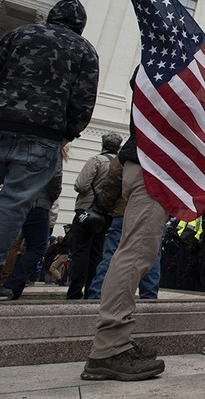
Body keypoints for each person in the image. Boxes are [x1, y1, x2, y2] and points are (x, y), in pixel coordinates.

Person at [0, 0, 99, 302]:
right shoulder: (84, 50)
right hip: (43, 134)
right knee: (13, 206)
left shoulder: (20, 34)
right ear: (80, 25)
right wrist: (67, 134)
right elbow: (83, 100)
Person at [81, 68, 167, 381]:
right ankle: (109, 348)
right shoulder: (165, 66)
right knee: (135, 253)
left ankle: (118, 340)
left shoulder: (156, 63)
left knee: (136, 252)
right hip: (153, 163)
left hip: (148, 161)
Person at [87, 155, 162, 300]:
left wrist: (109, 207)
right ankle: (149, 298)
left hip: (124, 211)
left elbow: (112, 182)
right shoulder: (163, 148)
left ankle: (97, 295)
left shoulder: (127, 153)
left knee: (113, 254)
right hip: (154, 212)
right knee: (151, 256)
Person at [3, 145, 68, 299]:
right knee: (36, 247)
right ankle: (12, 284)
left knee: (7, 242)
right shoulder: (52, 144)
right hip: (37, 202)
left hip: (10, 196)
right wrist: (50, 199)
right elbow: (55, 177)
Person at [67, 132, 122, 300]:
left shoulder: (96, 160)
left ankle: (75, 290)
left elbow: (81, 185)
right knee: (97, 252)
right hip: (107, 213)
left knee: (80, 251)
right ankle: (93, 289)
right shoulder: (120, 164)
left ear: (103, 144)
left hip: (87, 210)